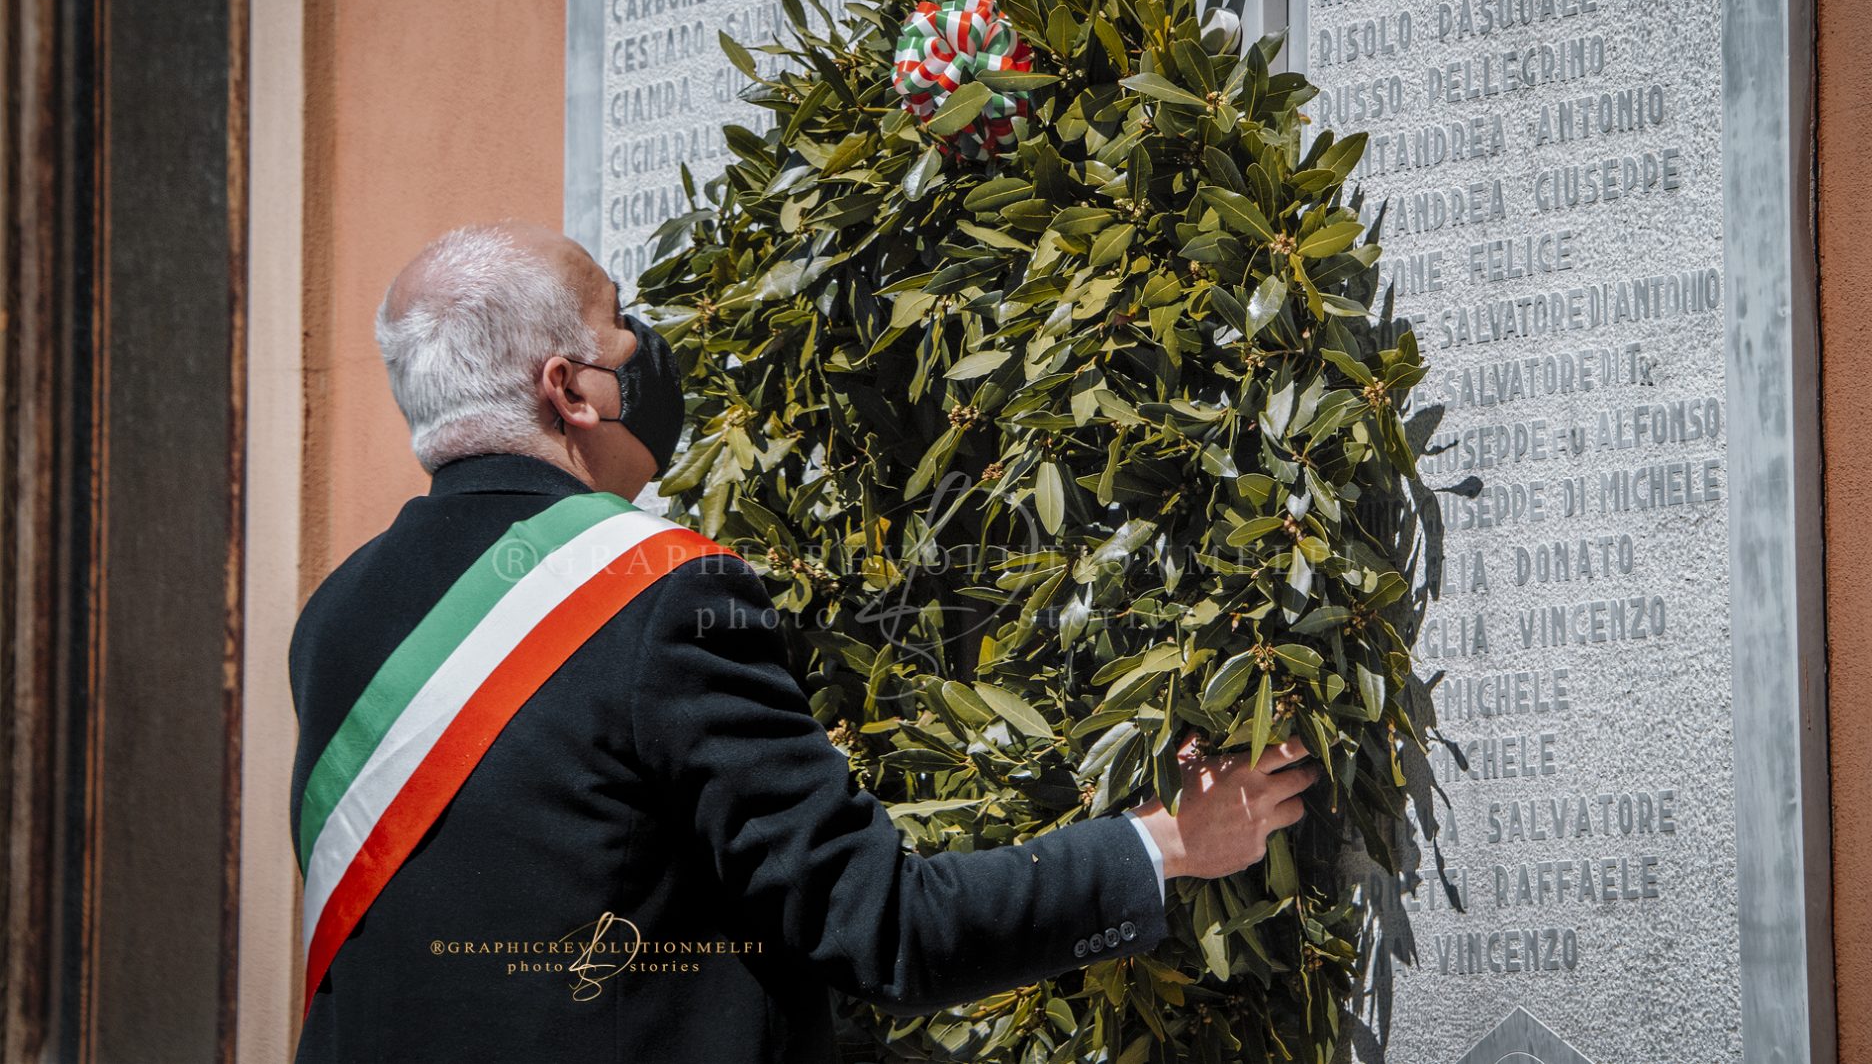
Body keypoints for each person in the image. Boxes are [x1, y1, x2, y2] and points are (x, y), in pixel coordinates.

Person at [287, 221, 1320, 1063]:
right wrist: (1164, 845)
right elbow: (882, 926)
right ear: (569, 390)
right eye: (620, 327)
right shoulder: (658, 597)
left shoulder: (334, 618)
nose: (645, 349)